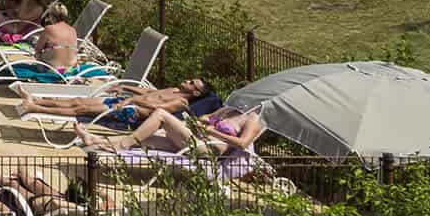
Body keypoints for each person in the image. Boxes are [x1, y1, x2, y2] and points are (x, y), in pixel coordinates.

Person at [76, 106, 267, 178]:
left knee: (161, 114)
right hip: (195, 139)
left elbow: (242, 144)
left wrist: (211, 131)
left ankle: (120, 146)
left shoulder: (254, 118)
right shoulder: (230, 109)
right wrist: (202, 122)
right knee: (145, 138)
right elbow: (205, 118)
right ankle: (97, 140)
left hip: (208, 150)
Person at [19, 78, 216, 126]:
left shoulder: (181, 103)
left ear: (196, 92)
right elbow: (148, 92)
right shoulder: (173, 89)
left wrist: (130, 99)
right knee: (79, 100)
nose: (188, 80)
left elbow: (157, 107)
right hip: (126, 101)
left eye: (192, 83)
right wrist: (125, 87)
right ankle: (38, 100)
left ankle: (34, 107)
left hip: (131, 111)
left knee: (81, 108)